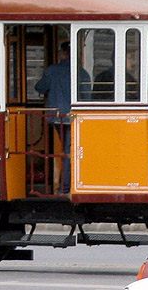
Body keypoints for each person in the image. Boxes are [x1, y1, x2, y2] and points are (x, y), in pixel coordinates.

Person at [34, 41, 89, 194]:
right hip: (74, 118)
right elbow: (87, 96)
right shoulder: (81, 72)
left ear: (63, 53)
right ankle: (66, 187)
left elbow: (39, 87)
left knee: (66, 150)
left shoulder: (52, 71)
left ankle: (63, 187)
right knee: (68, 151)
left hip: (56, 117)